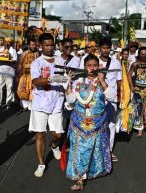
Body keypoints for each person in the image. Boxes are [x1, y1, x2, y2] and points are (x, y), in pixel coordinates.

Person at [64, 54, 114, 191]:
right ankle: (80, 179)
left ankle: (92, 172)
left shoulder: (102, 80)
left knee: (95, 149)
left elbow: (112, 97)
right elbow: (70, 101)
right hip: (79, 122)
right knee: (79, 150)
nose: (92, 68)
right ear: (85, 67)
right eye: (89, 66)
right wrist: (69, 82)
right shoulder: (79, 81)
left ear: (99, 67)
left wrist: (103, 82)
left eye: (95, 66)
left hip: (97, 122)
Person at [29, 33, 66, 177]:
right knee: (40, 134)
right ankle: (41, 164)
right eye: (47, 45)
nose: (50, 47)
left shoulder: (60, 61)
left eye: (52, 45)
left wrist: (68, 81)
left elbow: (64, 79)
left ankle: (54, 146)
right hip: (40, 103)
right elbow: (36, 81)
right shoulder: (37, 63)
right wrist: (51, 78)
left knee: (58, 134)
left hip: (57, 101)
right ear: (41, 46)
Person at [0, 37, 17, 110]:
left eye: (9, 42)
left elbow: (15, 61)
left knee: (9, 87)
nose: (7, 43)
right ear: (4, 42)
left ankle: (8, 103)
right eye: (6, 42)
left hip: (9, 71)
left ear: (11, 43)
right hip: (1, 70)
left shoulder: (13, 51)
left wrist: (8, 57)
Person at [17, 38, 39, 110]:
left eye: (35, 45)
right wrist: (18, 75)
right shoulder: (24, 53)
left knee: (32, 89)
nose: (33, 46)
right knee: (23, 89)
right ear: (29, 45)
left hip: (34, 75)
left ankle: (31, 103)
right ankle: (24, 104)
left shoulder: (37, 53)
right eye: (32, 45)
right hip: (24, 75)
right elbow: (20, 65)